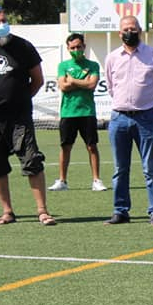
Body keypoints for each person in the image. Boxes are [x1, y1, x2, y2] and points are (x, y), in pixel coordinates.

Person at [0, 7, 55, 225]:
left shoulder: (23, 47)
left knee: (31, 160)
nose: (1, 24)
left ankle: (42, 211)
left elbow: (37, 80)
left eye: (4, 20)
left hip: (19, 118)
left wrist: (21, 99)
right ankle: (7, 211)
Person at [103, 16, 153, 225]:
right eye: (125, 29)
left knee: (150, 167)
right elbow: (111, 86)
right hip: (119, 117)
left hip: (146, 118)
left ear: (140, 31)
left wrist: (149, 105)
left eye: (133, 28)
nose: (129, 32)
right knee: (119, 168)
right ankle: (120, 210)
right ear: (119, 33)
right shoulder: (112, 57)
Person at [48, 33, 107, 192]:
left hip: (87, 112)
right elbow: (63, 86)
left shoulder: (93, 65)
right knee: (66, 147)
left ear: (84, 47)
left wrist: (72, 80)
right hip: (68, 113)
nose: (76, 50)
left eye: (78, 47)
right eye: (72, 47)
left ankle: (96, 180)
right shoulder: (63, 66)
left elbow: (92, 85)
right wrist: (82, 81)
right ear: (68, 49)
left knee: (92, 146)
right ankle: (62, 180)